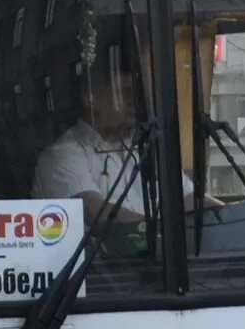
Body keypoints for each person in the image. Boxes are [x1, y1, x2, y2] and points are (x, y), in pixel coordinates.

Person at [32, 63, 206, 230]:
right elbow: (96, 214)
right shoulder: (63, 154)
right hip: (104, 260)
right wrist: (160, 231)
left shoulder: (144, 146)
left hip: (156, 256)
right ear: (90, 98)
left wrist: (229, 212)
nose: (132, 101)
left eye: (134, 93)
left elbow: (187, 196)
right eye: (123, 93)